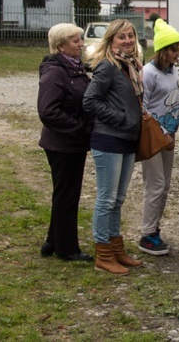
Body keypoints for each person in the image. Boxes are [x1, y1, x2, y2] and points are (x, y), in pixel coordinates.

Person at [82, 19, 144, 276]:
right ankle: (103, 254)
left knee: (118, 199)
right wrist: (120, 118)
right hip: (109, 139)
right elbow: (90, 101)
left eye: (130, 36)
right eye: (122, 37)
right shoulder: (107, 66)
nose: (128, 41)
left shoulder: (129, 66)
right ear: (111, 40)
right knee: (106, 200)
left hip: (128, 139)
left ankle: (117, 249)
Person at [37, 23, 93, 262]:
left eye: (79, 39)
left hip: (73, 143)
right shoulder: (55, 72)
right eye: (75, 41)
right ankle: (67, 248)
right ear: (61, 46)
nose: (81, 44)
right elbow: (48, 111)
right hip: (63, 144)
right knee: (67, 195)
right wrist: (79, 128)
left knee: (65, 193)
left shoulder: (74, 68)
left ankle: (53, 239)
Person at [138, 19, 179, 256]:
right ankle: (146, 235)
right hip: (153, 138)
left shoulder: (173, 71)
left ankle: (155, 229)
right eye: (175, 49)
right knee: (154, 185)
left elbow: (173, 103)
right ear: (164, 49)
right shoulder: (148, 73)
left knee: (165, 186)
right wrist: (160, 133)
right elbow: (142, 107)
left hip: (169, 136)